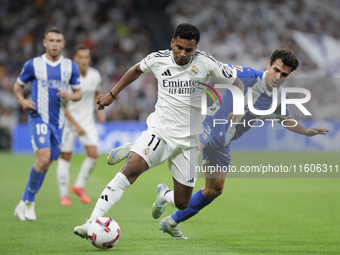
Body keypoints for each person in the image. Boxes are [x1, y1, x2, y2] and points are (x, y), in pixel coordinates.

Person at [106, 48, 329, 239]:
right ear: (269, 64)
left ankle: (171, 220)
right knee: (189, 152)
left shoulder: (278, 98)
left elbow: (286, 120)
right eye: (276, 70)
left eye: (284, 75)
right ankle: (140, 149)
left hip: (223, 143)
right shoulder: (247, 74)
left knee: (214, 189)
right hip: (208, 126)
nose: (278, 76)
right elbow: (218, 68)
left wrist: (306, 131)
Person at [73, 23, 244, 239]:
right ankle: (90, 222)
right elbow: (136, 70)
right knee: (130, 170)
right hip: (161, 131)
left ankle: (163, 194)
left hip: (190, 140)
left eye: (188, 50)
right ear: (172, 42)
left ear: (196, 48)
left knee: (182, 203)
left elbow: (236, 81)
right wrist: (112, 94)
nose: (182, 54)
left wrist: (238, 107)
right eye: (179, 47)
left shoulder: (206, 62)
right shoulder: (158, 58)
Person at [13, 27, 82, 221]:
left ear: (63, 44)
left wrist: (71, 95)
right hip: (38, 117)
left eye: (58, 41)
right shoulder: (33, 65)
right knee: (43, 159)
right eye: (51, 40)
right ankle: (30, 203)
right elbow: (17, 87)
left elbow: (78, 93)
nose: (54, 44)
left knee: (47, 164)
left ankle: (24, 202)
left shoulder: (70, 66)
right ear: (45, 42)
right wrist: (22, 101)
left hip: (58, 122)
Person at [56, 45, 106, 206]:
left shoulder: (95, 75)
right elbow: (62, 106)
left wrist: (100, 110)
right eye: (81, 57)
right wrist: (75, 124)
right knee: (65, 157)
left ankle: (78, 186)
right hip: (69, 123)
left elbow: (97, 92)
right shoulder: (67, 78)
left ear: (89, 59)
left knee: (93, 154)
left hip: (87, 122)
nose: (84, 61)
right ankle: (64, 195)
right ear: (75, 59)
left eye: (86, 57)